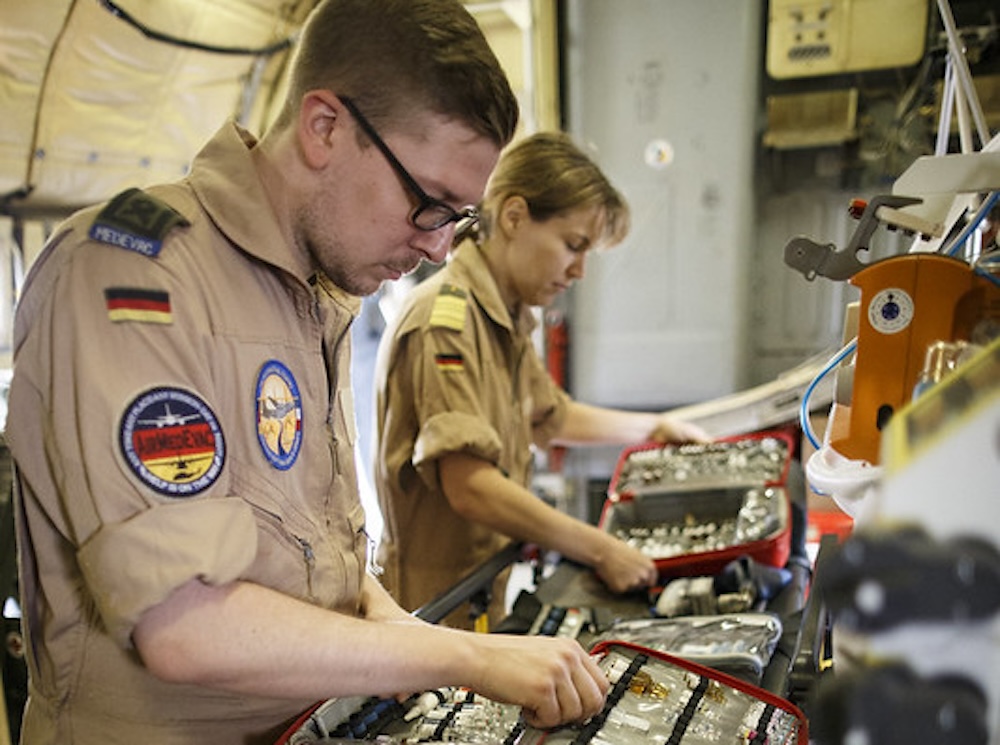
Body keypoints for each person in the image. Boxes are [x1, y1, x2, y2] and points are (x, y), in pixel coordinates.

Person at [4, 3, 611, 743]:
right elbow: (185, 625)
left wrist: (415, 646)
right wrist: (468, 656)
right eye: (428, 205)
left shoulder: (315, 289)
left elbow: (322, 558)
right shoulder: (135, 272)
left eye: (458, 218)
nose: (439, 250)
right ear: (324, 127)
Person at [373, 132, 711, 630]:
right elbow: (470, 487)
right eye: (572, 246)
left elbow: (550, 416)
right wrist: (601, 550)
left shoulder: (506, 315)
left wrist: (652, 429)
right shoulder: (446, 323)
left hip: (482, 592)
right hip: (431, 610)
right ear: (513, 217)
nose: (579, 270)